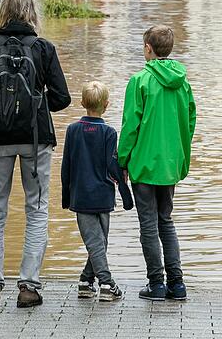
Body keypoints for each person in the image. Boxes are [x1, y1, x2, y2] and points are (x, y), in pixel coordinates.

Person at [0, 0, 72, 309]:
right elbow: (62, 98)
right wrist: (33, 106)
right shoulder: (43, 48)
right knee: (36, 211)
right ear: (32, 13)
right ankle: (28, 287)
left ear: (2, 12)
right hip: (36, 140)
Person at [118, 25, 196, 301]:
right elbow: (190, 121)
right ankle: (177, 284)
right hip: (170, 164)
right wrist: (180, 157)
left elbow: (130, 127)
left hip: (143, 164)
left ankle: (156, 283)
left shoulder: (139, 81)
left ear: (148, 48)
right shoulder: (182, 82)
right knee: (166, 221)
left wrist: (122, 161)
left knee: (148, 225)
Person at [62, 81, 133, 302]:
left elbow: (67, 165)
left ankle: (85, 281)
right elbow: (114, 167)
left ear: (82, 103)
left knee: (98, 242)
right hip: (103, 195)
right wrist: (126, 195)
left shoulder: (73, 130)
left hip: (81, 195)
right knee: (98, 242)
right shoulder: (109, 133)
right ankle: (106, 283)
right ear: (107, 105)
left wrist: (66, 196)